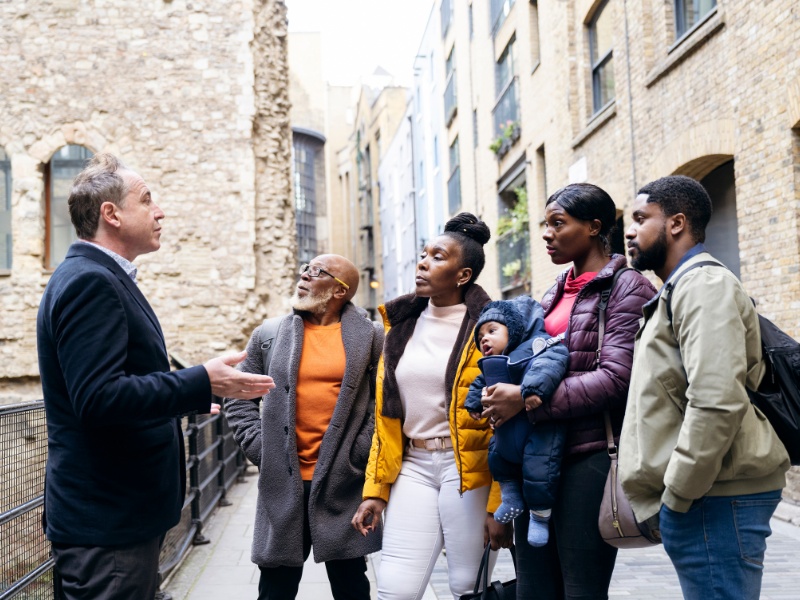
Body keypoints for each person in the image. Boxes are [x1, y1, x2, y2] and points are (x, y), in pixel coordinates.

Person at [37, 153, 275, 600]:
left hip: (120, 519)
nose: (160, 211)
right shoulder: (91, 282)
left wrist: (185, 396)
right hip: (107, 523)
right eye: (147, 200)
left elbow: (120, 382)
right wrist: (201, 380)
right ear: (112, 214)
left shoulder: (99, 276)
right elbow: (99, 398)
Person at [480, 183, 656, 599]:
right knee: (534, 589)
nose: (545, 233)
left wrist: (524, 402)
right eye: (545, 224)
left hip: (589, 455)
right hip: (537, 456)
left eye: (558, 223)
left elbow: (616, 378)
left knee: (581, 590)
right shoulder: (555, 289)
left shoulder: (627, 288)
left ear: (595, 227)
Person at [620, 175, 790, 599]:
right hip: (707, 495)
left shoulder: (702, 285)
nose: (628, 230)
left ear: (676, 223)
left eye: (641, 218)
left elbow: (716, 399)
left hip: (714, 498)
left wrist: (678, 494)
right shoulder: (680, 288)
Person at [351, 213, 513, 600]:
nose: (423, 262)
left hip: (471, 469)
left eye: (437, 256)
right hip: (414, 465)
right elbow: (387, 417)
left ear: (463, 275)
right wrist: (376, 490)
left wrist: (498, 506)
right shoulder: (400, 325)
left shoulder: (493, 328)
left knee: (465, 586)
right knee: (396, 589)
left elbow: (505, 423)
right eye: (423, 254)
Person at [224, 254, 383, 600]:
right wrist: (261, 449)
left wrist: (359, 452)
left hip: (343, 481)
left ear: (340, 290)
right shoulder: (269, 334)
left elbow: (385, 402)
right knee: (275, 590)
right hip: (283, 482)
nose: (304, 276)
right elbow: (238, 397)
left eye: (316, 272)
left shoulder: (371, 337)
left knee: (352, 586)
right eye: (305, 269)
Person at [464, 297, 569, 547]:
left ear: (514, 330)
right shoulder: (492, 363)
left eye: (492, 331)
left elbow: (549, 364)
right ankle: (510, 498)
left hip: (537, 430)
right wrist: (473, 403)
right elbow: (479, 382)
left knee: (539, 470)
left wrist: (531, 391)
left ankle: (540, 516)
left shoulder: (537, 347)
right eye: (480, 337)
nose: (484, 339)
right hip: (506, 434)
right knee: (497, 458)